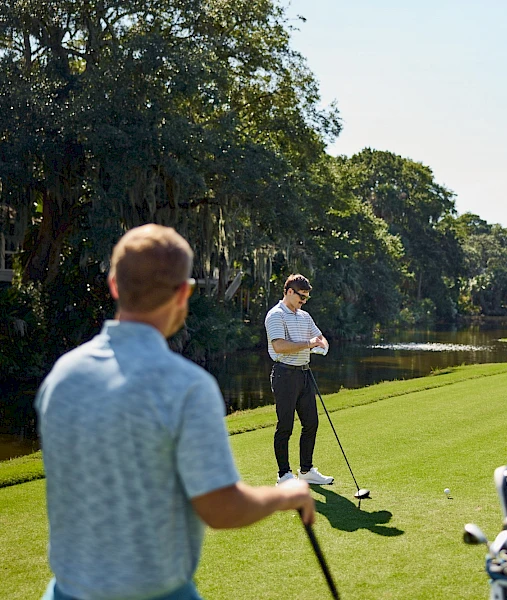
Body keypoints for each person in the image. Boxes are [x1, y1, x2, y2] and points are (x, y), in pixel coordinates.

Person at [35, 224, 315, 600]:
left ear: (115, 285)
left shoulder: (62, 376)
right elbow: (221, 509)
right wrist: (289, 495)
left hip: (65, 591)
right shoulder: (187, 386)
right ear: (183, 293)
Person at [265, 274, 333, 486]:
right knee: (285, 426)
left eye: (306, 298)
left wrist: (321, 345)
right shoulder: (276, 315)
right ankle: (284, 475)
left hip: (304, 374)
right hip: (284, 375)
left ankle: (306, 470)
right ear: (289, 292)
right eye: (301, 296)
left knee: (311, 422)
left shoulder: (304, 316)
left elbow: (319, 337)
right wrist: (309, 344)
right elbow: (279, 346)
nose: (303, 301)